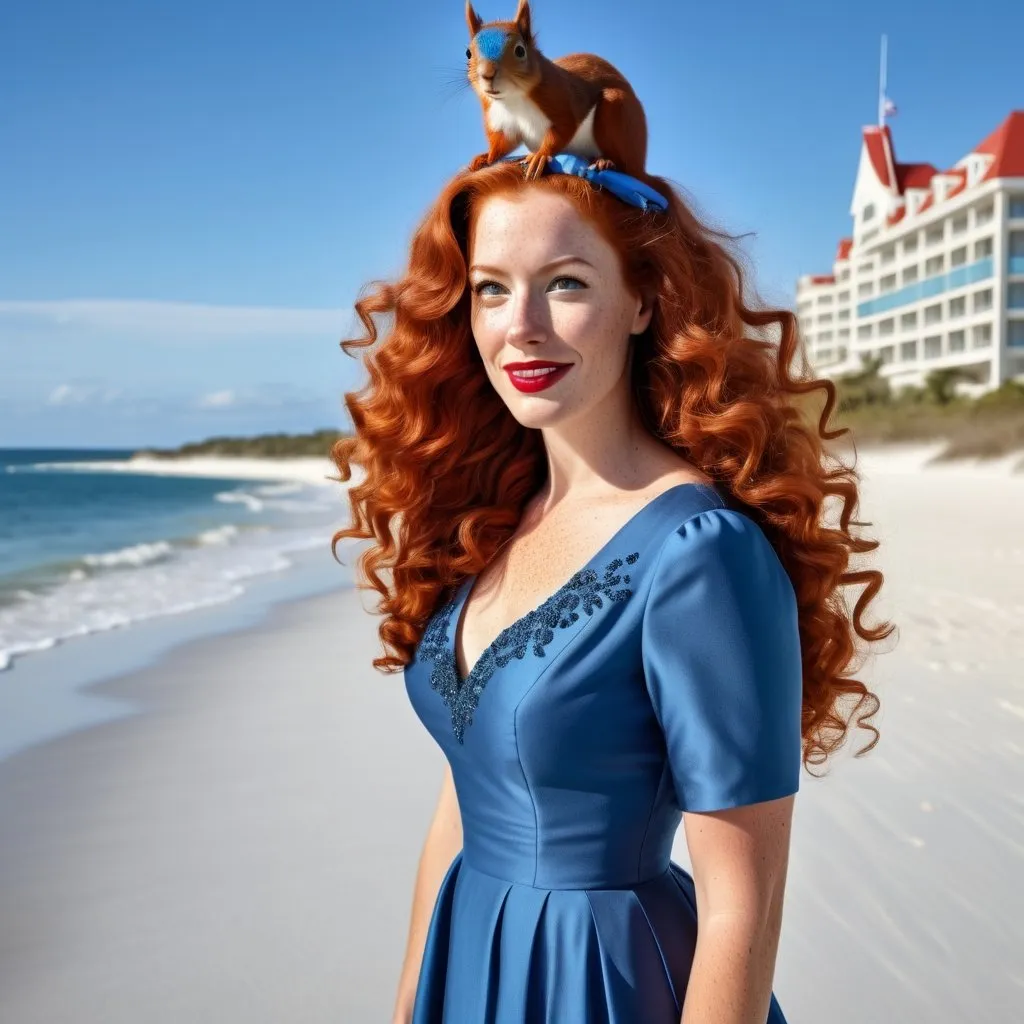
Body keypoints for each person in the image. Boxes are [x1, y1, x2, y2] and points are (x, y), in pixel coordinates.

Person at [330, 152, 891, 1024]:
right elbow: (466, 787)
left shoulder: (699, 553)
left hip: (601, 982)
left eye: (564, 284)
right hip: (468, 955)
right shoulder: (496, 516)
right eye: (489, 288)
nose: (520, 326)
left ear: (641, 300)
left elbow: (747, 898)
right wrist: (411, 996)